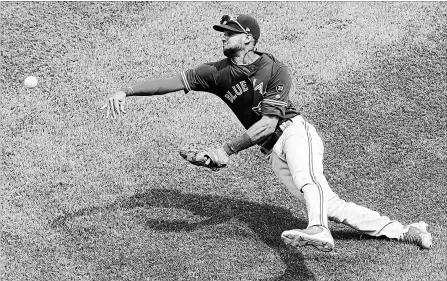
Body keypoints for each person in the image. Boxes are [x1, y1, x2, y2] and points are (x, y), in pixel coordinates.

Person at [102, 14, 432, 251]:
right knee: (328, 203)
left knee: (310, 182)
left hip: (295, 133)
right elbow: (170, 83)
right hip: (275, 153)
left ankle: (317, 230)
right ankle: (405, 231)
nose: (222, 37)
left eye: (228, 33)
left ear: (248, 37)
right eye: (222, 33)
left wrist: (224, 150)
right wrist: (125, 91)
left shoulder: (274, 70)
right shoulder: (216, 73)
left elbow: (268, 125)